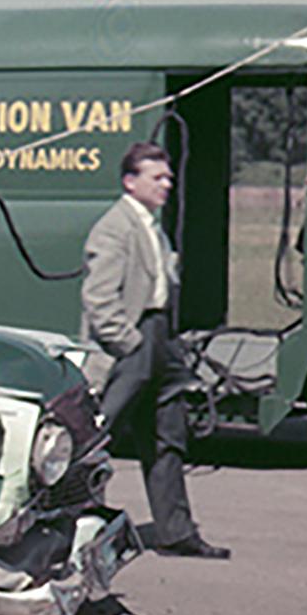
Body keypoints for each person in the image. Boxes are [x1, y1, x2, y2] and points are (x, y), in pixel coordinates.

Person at [81, 142, 228, 559]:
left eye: (168, 177)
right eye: (157, 177)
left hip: (161, 339)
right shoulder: (115, 227)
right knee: (96, 435)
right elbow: (98, 298)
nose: (167, 183)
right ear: (131, 182)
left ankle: (176, 531)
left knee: (168, 435)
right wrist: (130, 344)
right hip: (133, 341)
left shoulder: (150, 226)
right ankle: (74, 527)